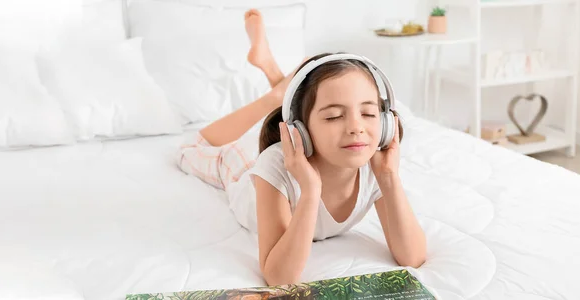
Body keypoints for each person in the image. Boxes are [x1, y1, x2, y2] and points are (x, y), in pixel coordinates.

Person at [176, 9, 426, 286]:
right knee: (190, 151)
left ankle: (277, 78)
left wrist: (389, 178)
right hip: (244, 168)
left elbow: (412, 257)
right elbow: (279, 277)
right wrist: (310, 191)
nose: (357, 127)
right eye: (333, 116)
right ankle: (276, 95)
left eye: (368, 114)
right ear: (301, 130)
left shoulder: (372, 162)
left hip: (293, 140)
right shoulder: (273, 165)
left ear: (387, 123)